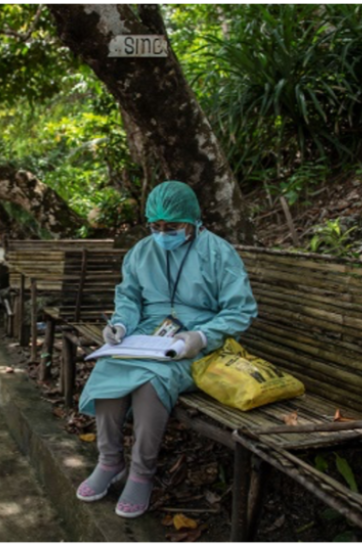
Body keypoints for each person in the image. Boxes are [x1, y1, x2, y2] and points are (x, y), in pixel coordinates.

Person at [74, 181, 258, 518]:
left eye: (171, 227)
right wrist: (121, 326)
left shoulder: (219, 253)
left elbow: (240, 310)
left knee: (149, 383)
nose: (162, 234)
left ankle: (142, 473)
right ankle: (109, 460)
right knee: (108, 369)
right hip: (146, 334)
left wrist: (202, 336)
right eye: (155, 226)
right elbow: (129, 298)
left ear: (192, 221)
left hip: (199, 342)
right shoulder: (141, 252)